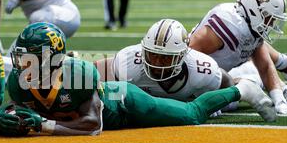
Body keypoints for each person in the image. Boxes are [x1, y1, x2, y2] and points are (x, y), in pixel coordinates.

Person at [0, 22, 276, 137]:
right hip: (101, 109)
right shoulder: (19, 81)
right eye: (22, 59)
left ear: (52, 60)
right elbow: (12, 111)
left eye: (30, 60)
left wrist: (43, 125)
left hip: (122, 103)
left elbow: (92, 127)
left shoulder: (78, 75)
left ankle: (243, 89)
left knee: (192, 115)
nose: (24, 66)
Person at [190, 0, 287, 115]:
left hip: (220, 75)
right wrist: (202, 94)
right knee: (231, 102)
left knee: (249, 72)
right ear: (255, 11)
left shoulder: (250, 25)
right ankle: (280, 68)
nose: (271, 24)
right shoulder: (229, 23)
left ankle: (282, 68)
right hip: (197, 79)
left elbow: (264, 66)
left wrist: (279, 101)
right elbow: (188, 54)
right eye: (269, 17)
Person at [94, 19, 231, 101]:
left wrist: (219, 100)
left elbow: (227, 82)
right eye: (153, 55)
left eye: (165, 58)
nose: (157, 64)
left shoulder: (202, 69)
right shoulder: (129, 61)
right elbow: (97, 72)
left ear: (182, 56)